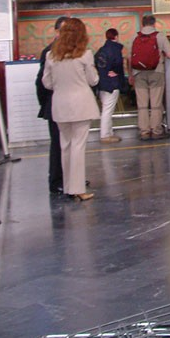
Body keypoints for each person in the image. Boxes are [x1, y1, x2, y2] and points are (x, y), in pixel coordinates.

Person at [41, 18, 99, 202]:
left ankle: (67, 186)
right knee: (78, 146)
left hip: (60, 104)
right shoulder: (86, 55)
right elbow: (93, 80)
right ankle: (78, 188)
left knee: (64, 145)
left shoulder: (51, 56)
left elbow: (46, 83)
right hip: (81, 104)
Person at [36, 16, 72, 195]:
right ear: (57, 32)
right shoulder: (50, 52)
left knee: (71, 143)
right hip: (55, 105)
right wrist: (46, 104)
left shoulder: (75, 50)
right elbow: (41, 82)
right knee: (58, 144)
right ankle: (57, 180)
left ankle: (71, 178)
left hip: (69, 106)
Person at [130, 14, 170, 140]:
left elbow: (129, 57)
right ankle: (156, 130)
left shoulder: (134, 36)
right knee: (156, 103)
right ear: (154, 23)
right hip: (156, 72)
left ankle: (144, 131)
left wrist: (131, 74)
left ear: (142, 24)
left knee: (142, 104)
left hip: (138, 73)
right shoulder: (159, 36)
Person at [94, 28, 125, 143]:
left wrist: (103, 73)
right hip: (112, 84)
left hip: (102, 83)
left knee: (106, 109)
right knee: (107, 110)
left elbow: (96, 63)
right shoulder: (115, 49)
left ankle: (109, 132)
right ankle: (105, 135)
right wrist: (115, 72)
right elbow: (118, 64)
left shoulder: (101, 50)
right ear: (116, 37)